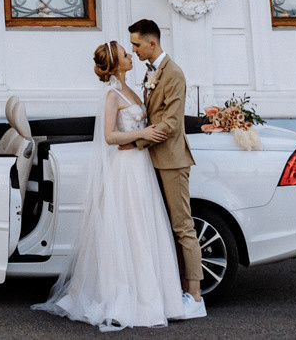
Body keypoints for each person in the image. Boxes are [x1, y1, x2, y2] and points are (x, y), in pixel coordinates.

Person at [34, 39, 187, 329]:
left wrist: (148, 132)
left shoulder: (133, 88)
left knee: (145, 225)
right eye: (125, 54)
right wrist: (144, 133)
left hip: (140, 165)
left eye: (130, 52)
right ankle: (127, 299)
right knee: (128, 228)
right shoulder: (112, 95)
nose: (131, 56)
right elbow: (109, 136)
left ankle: (158, 297)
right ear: (116, 64)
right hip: (125, 168)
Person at [128, 19, 206, 317]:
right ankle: (175, 289)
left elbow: (172, 123)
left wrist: (136, 143)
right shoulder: (151, 72)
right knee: (163, 227)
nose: (133, 50)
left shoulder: (173, 74)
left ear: (152, 43)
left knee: (183, 227)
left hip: (172, 160)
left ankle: (195, 297)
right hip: (153, 158)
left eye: (136, 44)